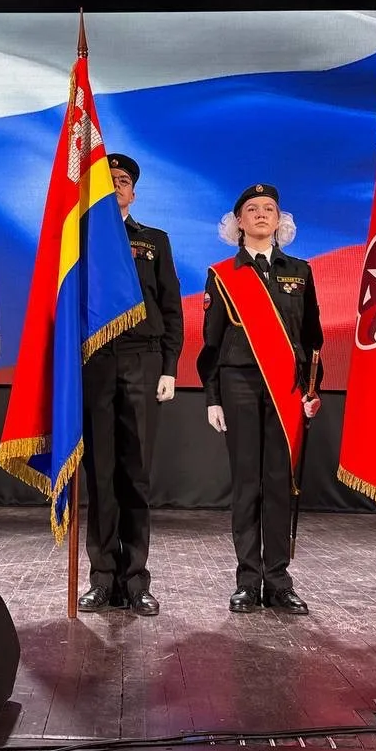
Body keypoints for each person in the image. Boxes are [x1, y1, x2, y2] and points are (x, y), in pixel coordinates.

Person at [197, 184, 322, 615]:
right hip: (239, 383)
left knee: (280, 484)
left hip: (286, 387)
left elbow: (313, 337)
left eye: (270, 208)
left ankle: (279, 581)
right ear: (238, 222)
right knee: (247, 483)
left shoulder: (300, 272)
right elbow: (211, 343)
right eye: (252, 209)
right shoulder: (222, 275)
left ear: (280, 219)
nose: (262, 214)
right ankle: (248, 581)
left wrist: (312, 389)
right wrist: (212, 397)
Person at [77, 153, 183, 617]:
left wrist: (170, 367)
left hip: (143, 359)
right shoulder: (78, 239)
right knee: (100, 475)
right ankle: (102, 578)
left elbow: (171, 306)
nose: (116, 185)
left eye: (123, 180)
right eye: (109, 179)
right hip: (96, 362)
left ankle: (136, 579)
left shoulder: (153, 241)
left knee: (135, 476)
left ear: (133, 193)